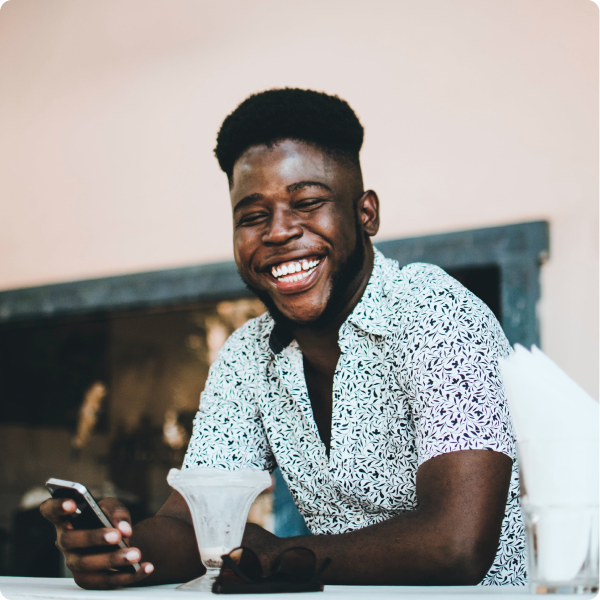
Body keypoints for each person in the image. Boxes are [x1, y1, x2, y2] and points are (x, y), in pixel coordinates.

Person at [41, 88, 526, 589]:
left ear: (366, 214)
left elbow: (455, 545)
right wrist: (121, 548)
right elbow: (190, 526)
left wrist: (275, 553)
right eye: (252, 216)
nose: (277, 232)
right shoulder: (246, 357)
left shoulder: (435, 311)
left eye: (308, 202)